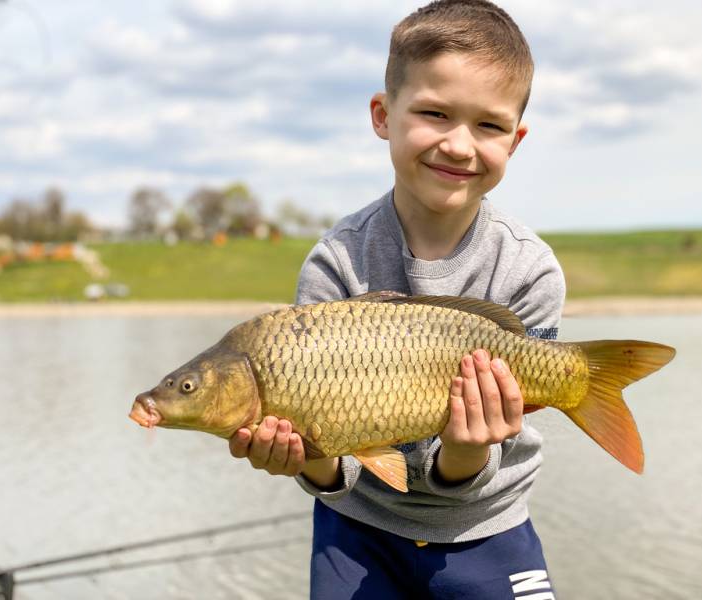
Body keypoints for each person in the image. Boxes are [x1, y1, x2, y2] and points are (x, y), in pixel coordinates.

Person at [229, 1, 564, 597]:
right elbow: (338, 466)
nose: (459, 146)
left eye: (489, 126)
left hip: (487, 527)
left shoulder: (529, 269)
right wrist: (309, 456)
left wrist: (464, 451)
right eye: (435, 113)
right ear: (383, 115)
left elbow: (494, 447)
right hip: (358, 527)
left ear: (516, 139)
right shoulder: (337, 260)